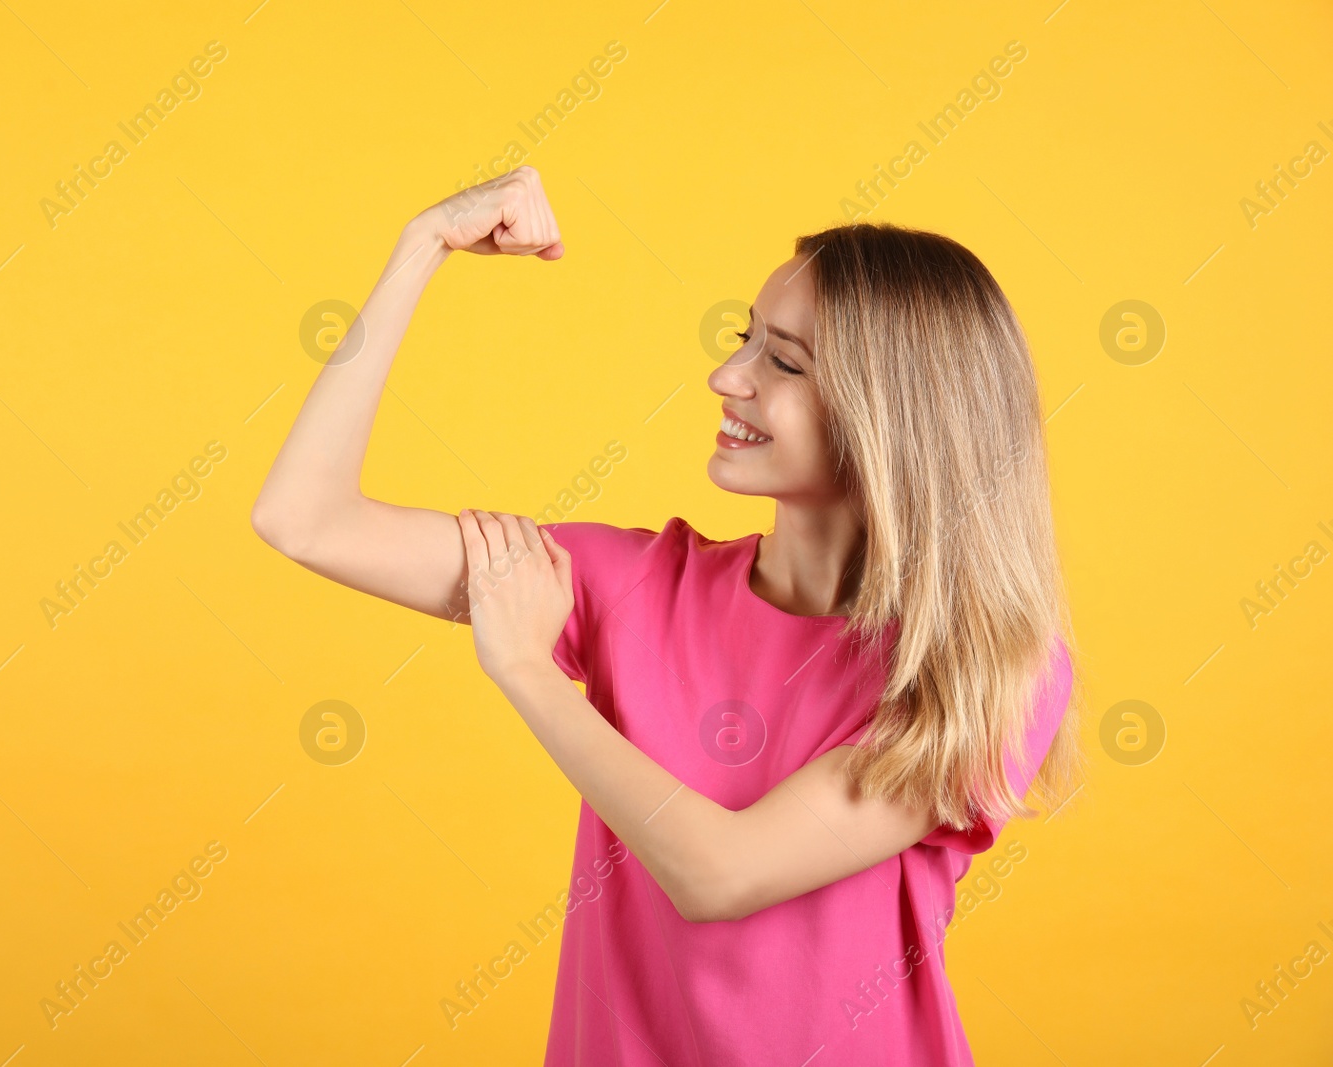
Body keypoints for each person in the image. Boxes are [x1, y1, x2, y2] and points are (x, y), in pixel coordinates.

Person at [251, 165, 1083, 1066]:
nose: (728, 375)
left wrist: (529, 671)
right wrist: (423, 246)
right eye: (745, 336)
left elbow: (719, 873)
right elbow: (304, 517)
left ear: (895, 421)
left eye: (784, 360)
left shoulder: (988, 668)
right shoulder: (628, 584)